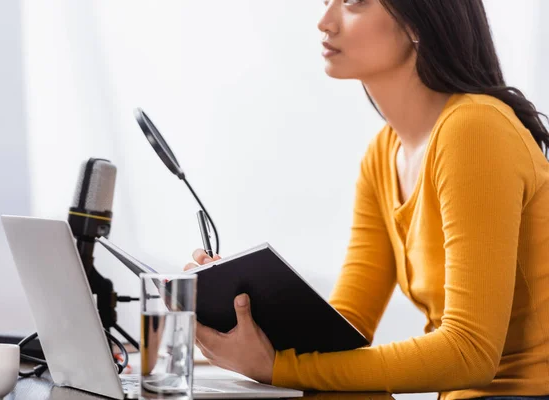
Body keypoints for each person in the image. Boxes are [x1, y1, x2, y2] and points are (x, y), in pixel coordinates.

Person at [184, 1, 549, 399]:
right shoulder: (384, 152)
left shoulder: (475, 129)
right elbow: (343, 328)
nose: (325, 22)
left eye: (354, 2)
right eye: (326, 3)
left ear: (418, 20)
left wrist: (281, 368)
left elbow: (470, 352)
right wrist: (239, 305)